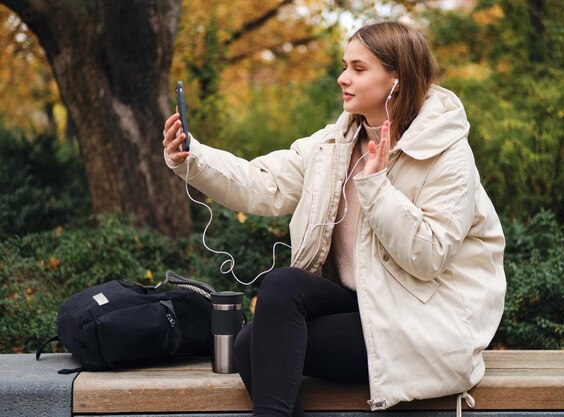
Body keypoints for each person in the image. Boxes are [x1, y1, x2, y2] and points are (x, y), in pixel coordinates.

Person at [162, 21, 506, 417]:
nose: (343, 78)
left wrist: (376, 186)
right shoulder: (335, 144)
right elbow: (263, 183)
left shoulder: (446, 155)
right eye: (345, 66)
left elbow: (428, 257)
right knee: (273, 299)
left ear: (398, 79)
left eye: (359, 69)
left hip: (421, 320)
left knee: (253, 347)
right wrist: (193, 155)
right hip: (358, 304)